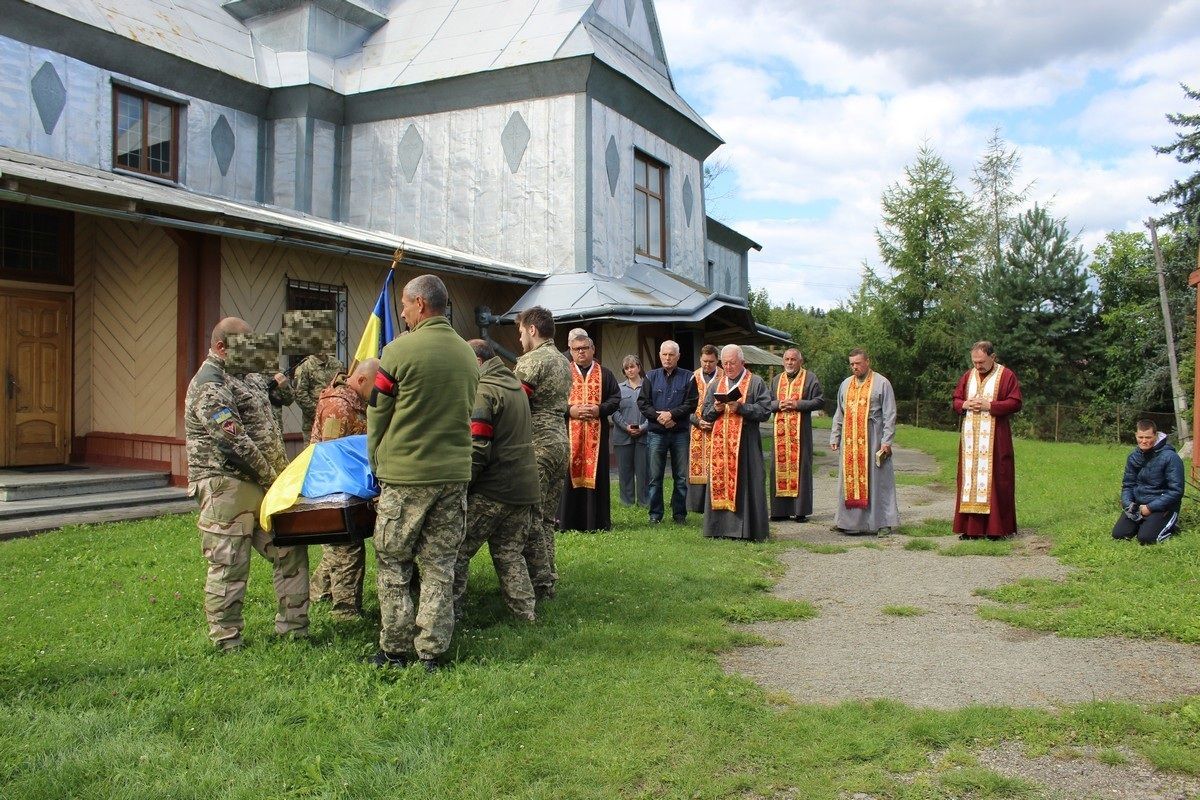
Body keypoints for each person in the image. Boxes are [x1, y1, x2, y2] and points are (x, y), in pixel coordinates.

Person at [366, 275, 479, 672]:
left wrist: (375, 460)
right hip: (453, 474)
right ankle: (431, 651)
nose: (400, 311)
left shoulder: (397, 351)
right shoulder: (468, 354)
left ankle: (394, 649)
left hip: (406, 475)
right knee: (439, 564)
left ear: (420, 305)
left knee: (394, 561)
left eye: (404, 304)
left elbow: (378, 410)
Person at [184, 318, 308, 651]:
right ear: (222, 347)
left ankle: (294, 630)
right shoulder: (208, 383)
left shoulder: (250, 373)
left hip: (268, 483)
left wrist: (279, 384)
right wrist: (272, 478)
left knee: (291, 549)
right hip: (227, 484)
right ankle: (227, 641)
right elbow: (232, 442)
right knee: (230, 563)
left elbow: (285, 397)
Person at [453, 340, 539, 621]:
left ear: (477, 362)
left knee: (457, 550)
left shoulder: (483, 391)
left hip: (495, 488)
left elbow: (478, 447)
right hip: (523, 486)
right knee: (510, 553)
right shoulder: (513, 385)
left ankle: (450, 612)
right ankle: (525, 615)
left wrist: (462, 485)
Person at [307, 358, 380, 619]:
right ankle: (345, 612)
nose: (378, 392)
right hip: (335, 486)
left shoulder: (357, 402)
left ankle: (317, 592)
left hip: (351, 483)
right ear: (361, 380)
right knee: (347, 548)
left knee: (337, 546)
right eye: (375, 386)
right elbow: (331, 453)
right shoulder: (337, 406)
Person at [513, 306, 571, 599]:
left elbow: (515, 404)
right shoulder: (563, 361)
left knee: (531, 518)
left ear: (532, 329)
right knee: (547, 519)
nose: (520, 338)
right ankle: (548, 577)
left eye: (521, 331)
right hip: (561, 441)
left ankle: (538, 584)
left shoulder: (532, 360)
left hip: (537, 444)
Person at [700, 344, 772, 541]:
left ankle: (747, 531)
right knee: (720, 483)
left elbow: (765, 411)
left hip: (746, 443)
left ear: (742, 362)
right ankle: (719, 528)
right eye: (725, 363)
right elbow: (705, 414)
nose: (729, 367)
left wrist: (741, 407)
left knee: (748, 483)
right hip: (720, 447)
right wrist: (715, 408)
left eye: (732, 363)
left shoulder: (756, 382)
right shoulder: (716, 385)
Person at [952, 341, 1023, 539]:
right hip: (970, 442)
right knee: (969, 481)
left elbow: (1015, 402)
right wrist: (964, 404)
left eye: (981, 362)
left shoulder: (1006, 375)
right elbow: (956, 399)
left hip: (996, 439)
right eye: (974, 362)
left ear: (993, 357)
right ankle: (971, 529)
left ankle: (996, 529)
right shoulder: (968, 376)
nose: (978, 366)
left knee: (998, 480)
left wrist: (989, 405)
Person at [830, 348, 900, 535]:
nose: (855, 367)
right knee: (848, 481)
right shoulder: (845, 384)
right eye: (852, 364)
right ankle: (848, 522)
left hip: (873, 437)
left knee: (878, 481)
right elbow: (840, 411)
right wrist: (835, 435)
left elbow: (890, 414)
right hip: (850, 439)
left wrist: (887, 441)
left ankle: (882, 523)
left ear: (867, 362)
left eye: (858, 363)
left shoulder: (882, 383)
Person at [559, 332, 621, 532]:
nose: (581, 352)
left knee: (597, 475)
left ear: (593, 350)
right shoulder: (563, 373)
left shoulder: (605, 373)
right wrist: (570, 411)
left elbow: (615, 398)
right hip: (569, 435)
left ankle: (597, 522)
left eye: (585, 348)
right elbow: (552, 401)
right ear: (571, 351)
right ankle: (567, 522)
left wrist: (599, 409)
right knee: (568, 475)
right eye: (577, 349)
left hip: (597, 436)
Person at [638, 340, 699, 524]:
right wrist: (659, 417)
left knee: (680, 478)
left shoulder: (689, 377)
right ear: (660, 355)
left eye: (671, 354)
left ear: (678, 357)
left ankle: (679, 515)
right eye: (664, 354)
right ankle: (655, 515)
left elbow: (691, 403)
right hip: (656, 433)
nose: (667, 358)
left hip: (679, 432)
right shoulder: (650, 376)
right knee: (655, 477)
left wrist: (672, 414)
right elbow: (643, 403)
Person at [769, 348, 824, 522]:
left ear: (800, 361)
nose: (790, 362)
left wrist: (797, 404)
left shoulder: (810, 378)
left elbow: (819, 401)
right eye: (786, 359)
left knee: (801, 469)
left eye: (793, 359)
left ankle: (801, 511)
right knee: (778, 469)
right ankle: (779, 511)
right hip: (780, 435)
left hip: (800, 434)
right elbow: (765, 402)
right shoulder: (776, 380)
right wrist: (778, 404)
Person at [1113, 419, 1184, 545]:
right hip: (1138, 505)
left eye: (1148, 437)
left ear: (1155, 436)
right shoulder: (1133, 457)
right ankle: (1146, 524)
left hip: (1163, 507)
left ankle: (1171, 526)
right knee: (1119, 535)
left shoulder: (1171, 457)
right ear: (1136, 435)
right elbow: (1128, 485)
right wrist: (1128, 504)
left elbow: (1176, 491)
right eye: (1140, 437)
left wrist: (1150, 507)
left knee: (1146, 539)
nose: (1144, 441)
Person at [612, 354, 649, 507]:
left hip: (644, 436)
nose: (630, 370)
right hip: (623, 436)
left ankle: (644, 502)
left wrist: (643, 427)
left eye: (632, 366)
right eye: (627, 368)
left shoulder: (648, 387)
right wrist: (625, 427)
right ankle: (626, 502)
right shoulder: (618, 389)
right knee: (625, 472)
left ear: (639, 367)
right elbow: (614, 411)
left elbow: (653, 410)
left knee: (644, 472)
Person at [687, 345, 720, 513]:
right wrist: (697, 421)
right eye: (705, 361)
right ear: (700, 359)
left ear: (717, 361)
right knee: (697, 463)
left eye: (711, 362)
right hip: (696, 428)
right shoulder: (692, 377)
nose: (707, 365)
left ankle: (714, 500)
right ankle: (696, 504)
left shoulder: (723, 376)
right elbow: (685, 406)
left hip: (717, 428)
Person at [294, 351, 347, 444]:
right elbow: (300, 395)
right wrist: (320, 413)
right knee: (313, 452)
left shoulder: (337, 364)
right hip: (312, 422)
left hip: (334, 420)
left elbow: (343, 387)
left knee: (332, 448)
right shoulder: (304, 367)